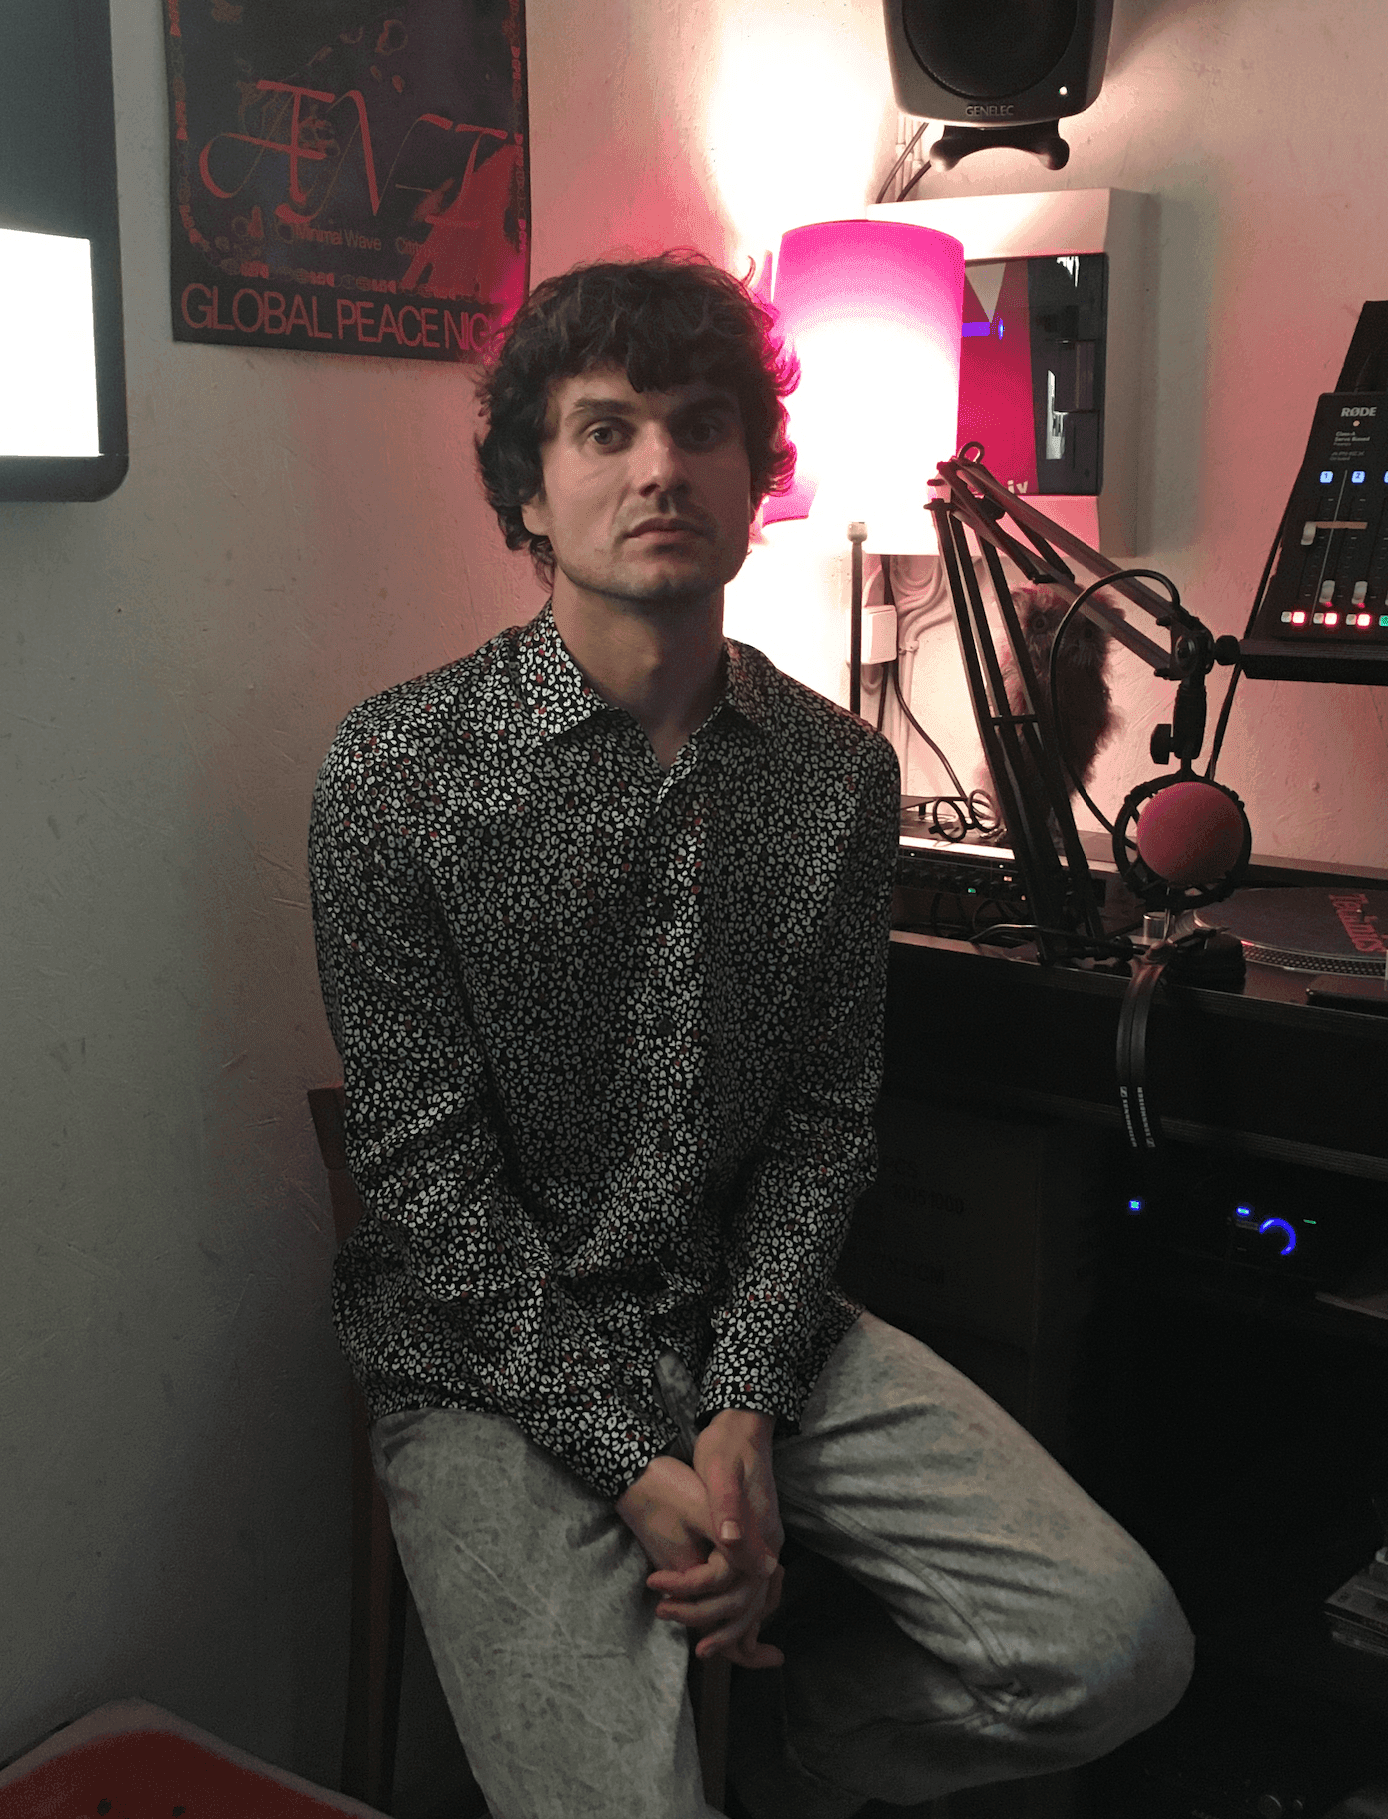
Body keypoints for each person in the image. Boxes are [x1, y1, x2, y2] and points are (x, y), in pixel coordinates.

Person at [306, 251, 1194, 1819]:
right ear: (527, 493)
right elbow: (429, 1185)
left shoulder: (833, 775)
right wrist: (632, 1458)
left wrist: (743, 1403)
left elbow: (821, 1125)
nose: (659, 466)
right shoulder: (397, 773)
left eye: (700, 424)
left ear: (754, 473)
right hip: (491, 1360)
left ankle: (795, 1756)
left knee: (1116, 1648)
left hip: (745, 1317)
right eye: (605, 429)